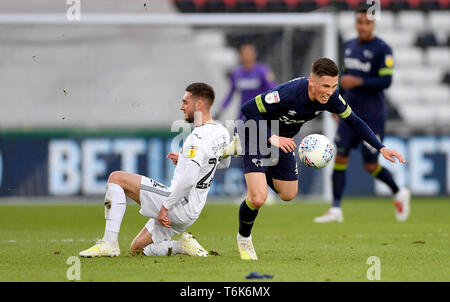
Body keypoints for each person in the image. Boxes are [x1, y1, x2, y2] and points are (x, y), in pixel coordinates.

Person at [222, 57, 406, 260]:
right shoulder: (290, 92)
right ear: (312, 81)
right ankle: (244, 238)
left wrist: (381, 148)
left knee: (288, 194)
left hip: (284, 141)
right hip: (257, 134)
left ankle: (256, 168)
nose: (330, 91)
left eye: (334, 86)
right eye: (326, 85)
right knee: (258, 198)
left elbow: (353, 120)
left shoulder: (332, 98)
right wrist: (272, 137)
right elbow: (248, 109)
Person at [79, 82, 231, 258]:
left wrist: (165, 208)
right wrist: (183, 160)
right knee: (138, 249)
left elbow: (189, 179)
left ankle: (109, 243)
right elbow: (221, 164)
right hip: (192, 211)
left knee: (116, 178)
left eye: (185, 102)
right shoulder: (221, 132)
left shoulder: (197, 137)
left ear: (199, 105)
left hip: (176, 203)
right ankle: (181, 246)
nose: (181, 107)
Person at [314, 5, 410, 224]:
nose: (363, 27)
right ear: (355, 23)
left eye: (367, 23)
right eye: (360, 22)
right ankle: (336, 208)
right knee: (340, 157)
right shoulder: (348, 46)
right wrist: (336, 105)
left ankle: (398, 191)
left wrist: (359, 81)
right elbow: (343, 79)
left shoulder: (382, 49)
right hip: (349, 113)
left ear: (374, 24)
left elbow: (386, 81)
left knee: (370, 165)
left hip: (372, 116)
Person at [215, 43, 277, 121]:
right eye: (244, 53)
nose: (247, 56)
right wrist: (220, 110)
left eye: (249, 53)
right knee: (238, 132)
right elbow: (230, 94)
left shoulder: (263, 71)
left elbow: (274, 90)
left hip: (261, 112)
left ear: (254, 55)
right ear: (240, 55)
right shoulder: (236, 73)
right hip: (243, 114)